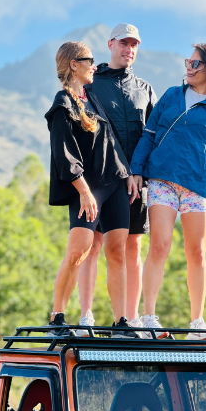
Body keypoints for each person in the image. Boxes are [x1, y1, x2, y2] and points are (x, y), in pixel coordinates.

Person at [129, 43, 206, 339]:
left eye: (195, 64)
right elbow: (149, 136)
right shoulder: (170, 96)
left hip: (198, 187)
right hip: (161, 181)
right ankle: (149, 318)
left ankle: (197, 324)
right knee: (160, 245)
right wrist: (137, 170)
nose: (188, 68)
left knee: (197, 252)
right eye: (188, 62)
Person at [45, 42, 141, 333]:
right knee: (79, 250)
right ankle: (57, 317)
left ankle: (121, 320)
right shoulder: (63, 103)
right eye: (90, 61)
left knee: (117, 252)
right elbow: (65, 156)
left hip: (115, 184)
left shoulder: (90, 99)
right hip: (89, 188)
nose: (94, 65)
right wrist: (84, 192)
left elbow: (110, 141)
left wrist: (127, 175)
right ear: (74, 64)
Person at [77, 24, 157, 328]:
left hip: (137, 184)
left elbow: (152, 135)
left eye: (134, 45)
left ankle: (130, 319)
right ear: (111, 44)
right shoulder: (93, 83)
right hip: (100, 180)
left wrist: (140, 173)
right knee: (92, 245)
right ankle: (86, 316)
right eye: (124, 43)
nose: (129, 49)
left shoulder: (145, 89)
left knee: (133, 246)